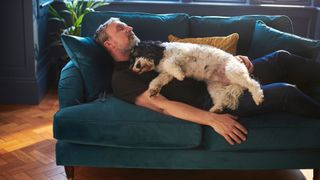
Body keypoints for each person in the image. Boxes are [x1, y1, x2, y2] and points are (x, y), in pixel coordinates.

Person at [94, 17, 320, 145]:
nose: (130, 28)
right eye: (121, 29)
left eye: (126, 25)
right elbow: (162, 105)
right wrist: (212, 119)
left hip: (217, 71)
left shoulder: (150, 48)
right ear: (109, 44)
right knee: (284, 93)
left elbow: (195, 56)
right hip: (213, 95)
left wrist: (233, 60)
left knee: (281, 59)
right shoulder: (122, 78)